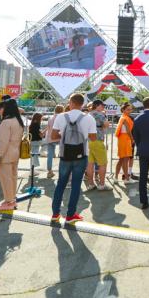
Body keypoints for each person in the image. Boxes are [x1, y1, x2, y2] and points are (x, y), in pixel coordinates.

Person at [51, 93, 97, 223]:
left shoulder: (61, 116)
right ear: (82, 104)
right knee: (76, 185)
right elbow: (93, 138)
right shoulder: (89, 118)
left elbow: (53, 136)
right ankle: (70, 215)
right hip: (81, 155)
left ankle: (55, 214)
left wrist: (65, 137)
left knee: (61, 183)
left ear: (71, 103)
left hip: (65, 155)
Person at [0, 99, 25, 212]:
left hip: (6, 154)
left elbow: (3, 142)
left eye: (1, 107)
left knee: (6, 179)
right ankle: (11, 200)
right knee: (13, 177)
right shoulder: (18, 120)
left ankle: (9, 201)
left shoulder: (6, 122)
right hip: (15, 152)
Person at [86, 99, 111, 191]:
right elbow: (106, 124)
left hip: (88, 141)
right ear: (97, 105)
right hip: (97, 140)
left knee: (90, 164)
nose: (103, 107)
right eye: (102, 105)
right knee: (103, 163)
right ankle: (102, 185)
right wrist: (105, 117)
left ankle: (91, 184)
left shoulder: (88, 114)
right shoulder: (100, 114)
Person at [115, 102, 135, 182]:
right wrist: (132, 139)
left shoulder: (123, 117)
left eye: (130, 109)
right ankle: (126, 178)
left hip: (123, 139)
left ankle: (116, 177)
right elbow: (128, 131)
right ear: (123, 110)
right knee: (125, 159)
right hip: (125, 139)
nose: (130, 111)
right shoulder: (125, 118)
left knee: (121, 159)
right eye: (128, 109)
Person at [44, 105, 64, 179]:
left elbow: (48, 128)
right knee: (62, 155)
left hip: (50, 138)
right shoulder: (62, 118)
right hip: (59, 138)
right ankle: (62, 172)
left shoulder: (51, 118)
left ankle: (49, 171)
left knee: (50, 155)